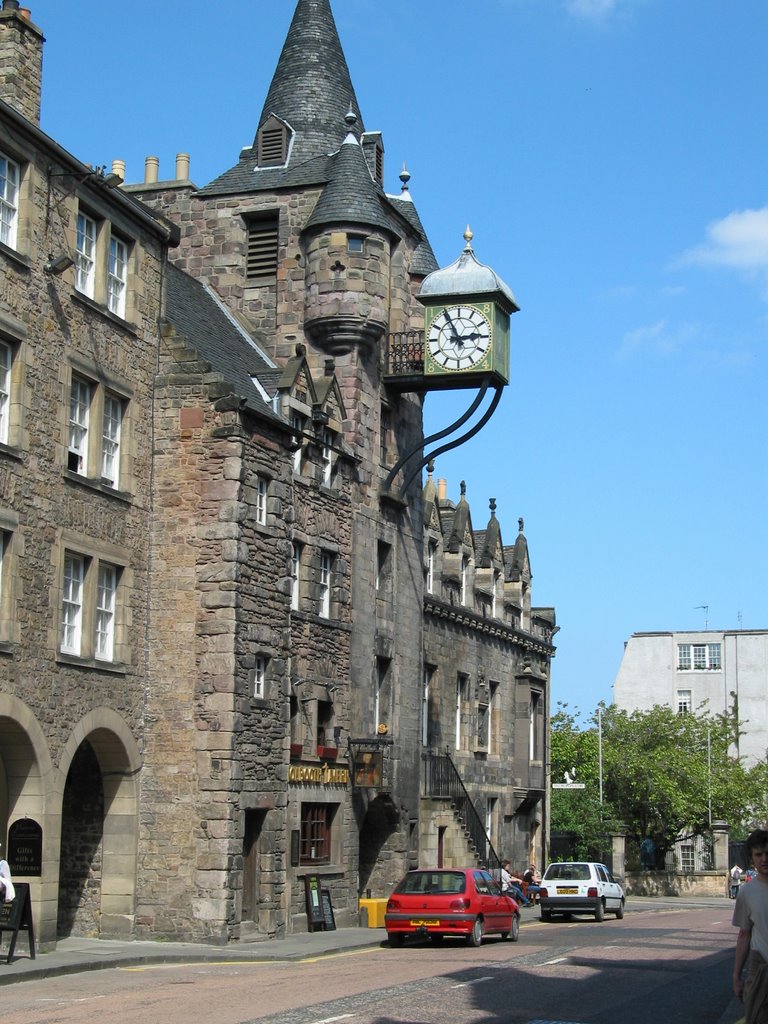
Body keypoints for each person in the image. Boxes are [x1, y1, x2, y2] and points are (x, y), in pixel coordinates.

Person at [732, 828, 768, 1024]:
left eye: (767, 853)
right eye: (758, 854)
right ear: (752, 858)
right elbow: (744, 935)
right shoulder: (746, 892)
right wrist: (736, 976)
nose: (764, 859)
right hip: (760, 967)